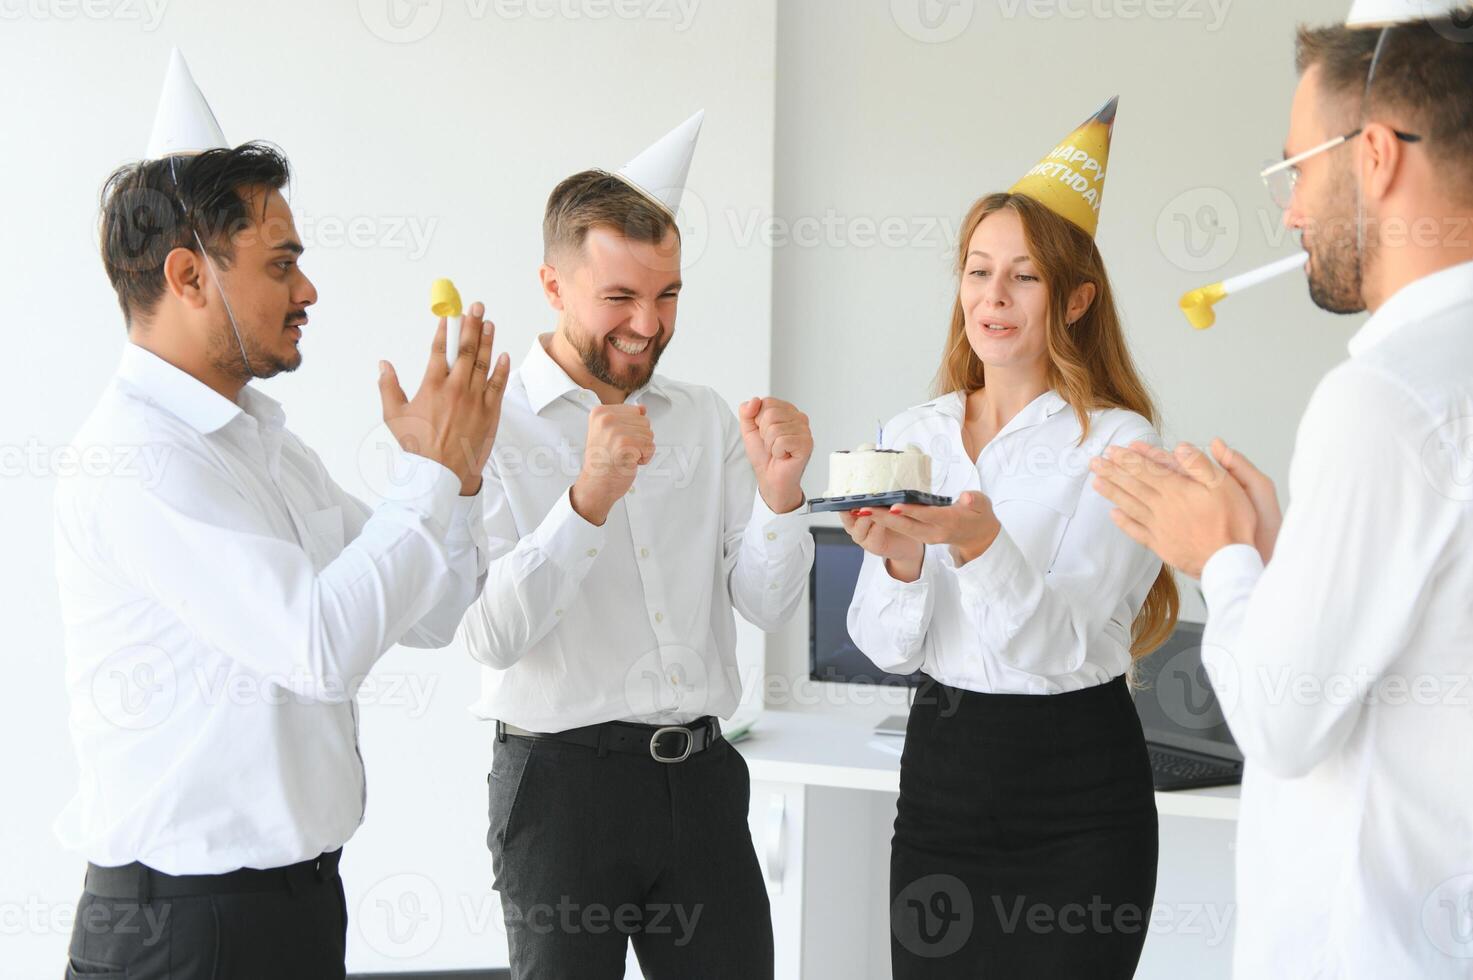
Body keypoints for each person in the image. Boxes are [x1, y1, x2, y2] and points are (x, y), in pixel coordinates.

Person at [54, 52, 507, 979]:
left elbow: (426, 613)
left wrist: (454, 481)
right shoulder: (139, 460)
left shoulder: (263, 444)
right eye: (282, 264)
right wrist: (426, 477)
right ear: (188, 275)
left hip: (291, 911)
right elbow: (319, 647)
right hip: (185, 934)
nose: (307, 292)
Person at [1090, 7, 1473, 977]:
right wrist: (1281, 557)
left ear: (1377, 155)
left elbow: (1286, 720)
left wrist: (1221, 556)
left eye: (1297, 169)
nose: (1292, 211)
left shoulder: (1380, 401)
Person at [456, 114, 815, 979]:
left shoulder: (699, 414)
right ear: (552, 283)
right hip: (559, 788)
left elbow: (765, 604)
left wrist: (780, 498)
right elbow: (489, 637)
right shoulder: (487, 424)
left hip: (699, 780)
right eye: (620, 297)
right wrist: (586, 502)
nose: (647, 325)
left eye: (668, 296)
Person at [844, 98, 1179, 978]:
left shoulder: (1122, 446)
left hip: (1077, 795)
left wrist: (983, 544)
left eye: (1022, 278)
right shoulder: (914, 430)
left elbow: (1058, 647)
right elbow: (883, 648)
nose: (991, 299)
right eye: (977, 272)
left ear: (1073, 298)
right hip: (943, 781)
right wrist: (905, 561)